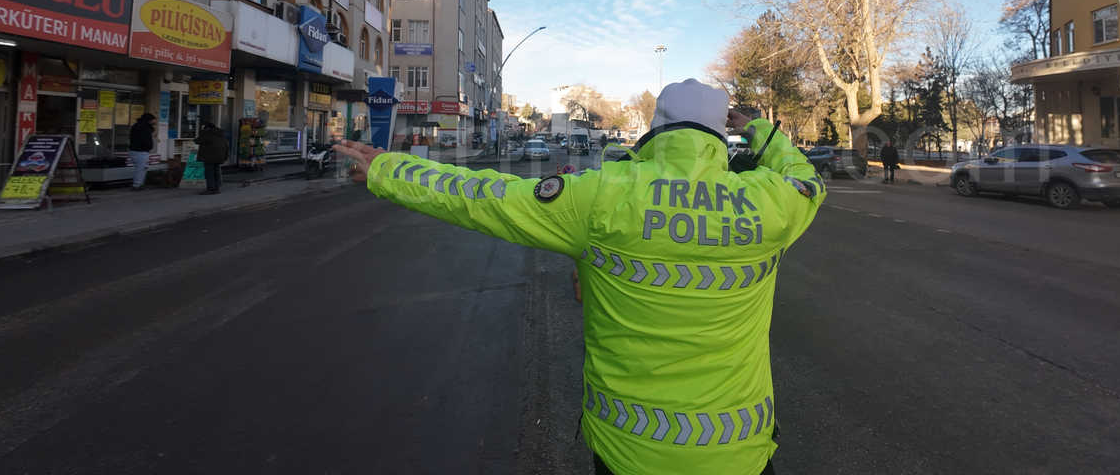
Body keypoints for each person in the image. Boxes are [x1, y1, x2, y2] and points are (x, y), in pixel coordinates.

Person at [336, 78, 824, 475]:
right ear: (722, 136)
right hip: (738, 453)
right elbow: (808, 179)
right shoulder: (769, 202)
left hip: (629, 450)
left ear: (655, 129)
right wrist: (763, 132)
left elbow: (484, 196)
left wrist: (390, 169)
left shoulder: (602, 195)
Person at [195, 122, 229, 194]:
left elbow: (197, 141)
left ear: (207, 128)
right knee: (216, 171)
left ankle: (210, 189)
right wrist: (225, 156)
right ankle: (216, 188)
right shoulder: (221, 134)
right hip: (220, 156)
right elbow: (226, 145)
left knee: (209, 173)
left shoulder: (207, 133)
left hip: (209, 157)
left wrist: (202, 132)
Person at [128, 113, 157, 190]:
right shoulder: (144, 128)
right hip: (140, 151)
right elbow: (145, 139)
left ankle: (139, 184)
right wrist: (148, 146)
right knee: (141, 168)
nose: (155, 122)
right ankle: (137, 185)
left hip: (136, 150)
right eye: (153, 120)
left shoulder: (137, 126)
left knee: (141, 168)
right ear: (149, 120)